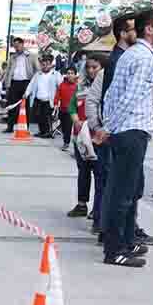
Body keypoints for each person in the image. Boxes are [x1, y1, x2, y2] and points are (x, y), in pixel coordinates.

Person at [99, 9, 153, 268]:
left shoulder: (131, 55)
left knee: (127, 189)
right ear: (148, 29)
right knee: (123, 193)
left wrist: (109, 125)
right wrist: (109, 127)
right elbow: (130, 98)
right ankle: (114, 250)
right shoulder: (144, 58)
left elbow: (112, 95)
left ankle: (125, 242)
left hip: (126, 130)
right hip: (130, 131)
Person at [67, 55, 105, 224]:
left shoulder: (106, 85)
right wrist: (76, 121)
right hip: (81, 136)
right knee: (83, 171)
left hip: (98, 137)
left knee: (99, 174)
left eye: (95, 67)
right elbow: (72, 106)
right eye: (88, 67)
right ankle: (82, 204)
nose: (91, 70)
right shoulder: (80, 85)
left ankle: (98, 210)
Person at [23, 55, 62, 139]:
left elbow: (60, 87)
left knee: (46, 117)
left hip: (49, 100)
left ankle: (48, 132)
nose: (45, 66)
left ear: (51, 64)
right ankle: (42, 131)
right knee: (39, 116)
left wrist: (59, 100)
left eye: (47, 64)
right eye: (43, 64)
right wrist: (26, 93)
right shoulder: (38, 74)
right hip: (38, 99)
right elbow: (31, 84)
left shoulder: (56, 74)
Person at [3, 37, 37, 133]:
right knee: (11, 105)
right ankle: (10, 126)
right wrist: (6, 83)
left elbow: (37, 69)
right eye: (15, 46)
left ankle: (25, 127)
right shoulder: (13, 57)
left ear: (22, 45)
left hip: (26, 82)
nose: (16, 48)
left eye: (18, 45)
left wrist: (34, 83)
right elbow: (8, 71)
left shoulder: (31, 56)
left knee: (25, 106)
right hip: (14, 82)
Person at [53, 66, 79, 149]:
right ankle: (66, 139)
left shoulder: (78, 86)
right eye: (68, 73)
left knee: (68, 127)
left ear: (75, 75)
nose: (70, 75)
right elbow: (57, 95)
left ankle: (66, 143)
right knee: (64, 127)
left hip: (72, 111)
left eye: (72, 73)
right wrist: (56, 104)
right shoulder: (62, 85)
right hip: (62, 110)